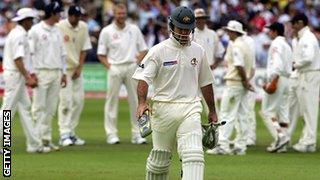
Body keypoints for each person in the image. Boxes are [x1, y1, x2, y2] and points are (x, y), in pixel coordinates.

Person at [133, 6, 218, 180]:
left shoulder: (198, 51)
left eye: (188, 30)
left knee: (194, 155)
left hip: (191, 108)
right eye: (181, 28)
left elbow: (206, 83)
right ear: (171, 26)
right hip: (163, 109)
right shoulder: (158, 50)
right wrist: (142, 103)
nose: (185, 33)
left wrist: (212, 110)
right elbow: (143, 79)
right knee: (159, 161)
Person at [97, 3, 148, 144]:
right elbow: (101, 54)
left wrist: (136, 62)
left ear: (126, 14)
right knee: (111, 101)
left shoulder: (134, 29)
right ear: (114, 14)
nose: (121, 16)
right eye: (119, 13)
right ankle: (111, 134)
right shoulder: (106, 31)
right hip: (115, 67)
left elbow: (144, 49)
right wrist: (110, 67)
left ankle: (137, 133)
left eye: (123, 13)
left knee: (136, 101)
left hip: (131, 66)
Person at [0, 8, 48, 153]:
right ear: (25, 20)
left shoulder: (18, 33)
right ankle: (33, 144)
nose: (32, 23)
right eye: (31, 20)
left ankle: (34, 144)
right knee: (7, 111)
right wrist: (28, 77)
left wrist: (28, 75)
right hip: (15, 76)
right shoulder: (20, 35)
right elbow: (18, 59)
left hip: (16, 76)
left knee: (25, 108)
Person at [208, 20, 254, 155]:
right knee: (242, 114)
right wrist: (246, 81)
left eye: (229, 31)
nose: (228, 33)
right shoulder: (246, 46)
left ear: (234, 32)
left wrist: (245, 80)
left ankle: (223, 145)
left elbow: (239, 65)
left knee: (227, 113)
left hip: (235, 83)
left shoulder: (236, 46)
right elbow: (250, 67)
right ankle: (241, 145)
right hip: (241, 84)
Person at [28, 1, 67, 151]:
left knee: (50, 109)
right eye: (58, 13)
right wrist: (31, 73)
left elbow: (63, 54)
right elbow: (30, 54)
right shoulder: (36, 30)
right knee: (38, 108)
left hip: (56, 72)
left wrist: (63, 73)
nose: (60, 16)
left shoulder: (58, 30)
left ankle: (46, 139)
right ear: (52, 13)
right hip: (40, 72)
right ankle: (36, 140)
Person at [57, 5, 92, 146]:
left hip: (77, 69)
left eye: (79, 16)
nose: (78, 19)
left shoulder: (83, 26)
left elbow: (84, 48)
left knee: (78, 101)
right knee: (66, 101)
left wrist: (80, 67)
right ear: (69, 16)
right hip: (63, 70)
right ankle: (63, 133)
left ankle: (71, 132)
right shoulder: (60, 27)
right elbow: (58, 50)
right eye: (75, 16)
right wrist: (63, 71)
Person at [290, 13, 320, 153]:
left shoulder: (308, 38)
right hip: (305, 74)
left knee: (309, 110)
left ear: (300, 23)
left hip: (309, 75)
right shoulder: (302, 37)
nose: (292, 26)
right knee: (305, 110)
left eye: (294, 23)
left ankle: (309, 142)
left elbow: (308, 58)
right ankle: (306, 140)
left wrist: (295, 65)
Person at [260, 22, 292, 153]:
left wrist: (272, 81)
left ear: (274, 31)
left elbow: (277, 64)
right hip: (287, 79)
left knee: (267, 111)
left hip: (278, 78)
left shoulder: (276, 44)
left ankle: (281, 136)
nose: (268, 33)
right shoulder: (287, 45)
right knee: (283, 112)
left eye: (270, 31)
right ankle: (283, 144)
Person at [193, 8, 224, 119]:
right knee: (192, 102)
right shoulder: (190, 34)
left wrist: (215, 64)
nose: (200, 21)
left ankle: (216, 131)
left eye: (202, 18)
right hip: (193, 72)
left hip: (208, 71)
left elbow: (220, 52)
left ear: (205, 19)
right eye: (197, 19)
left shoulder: (212, 34)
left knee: (211, 102)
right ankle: (194, 129)